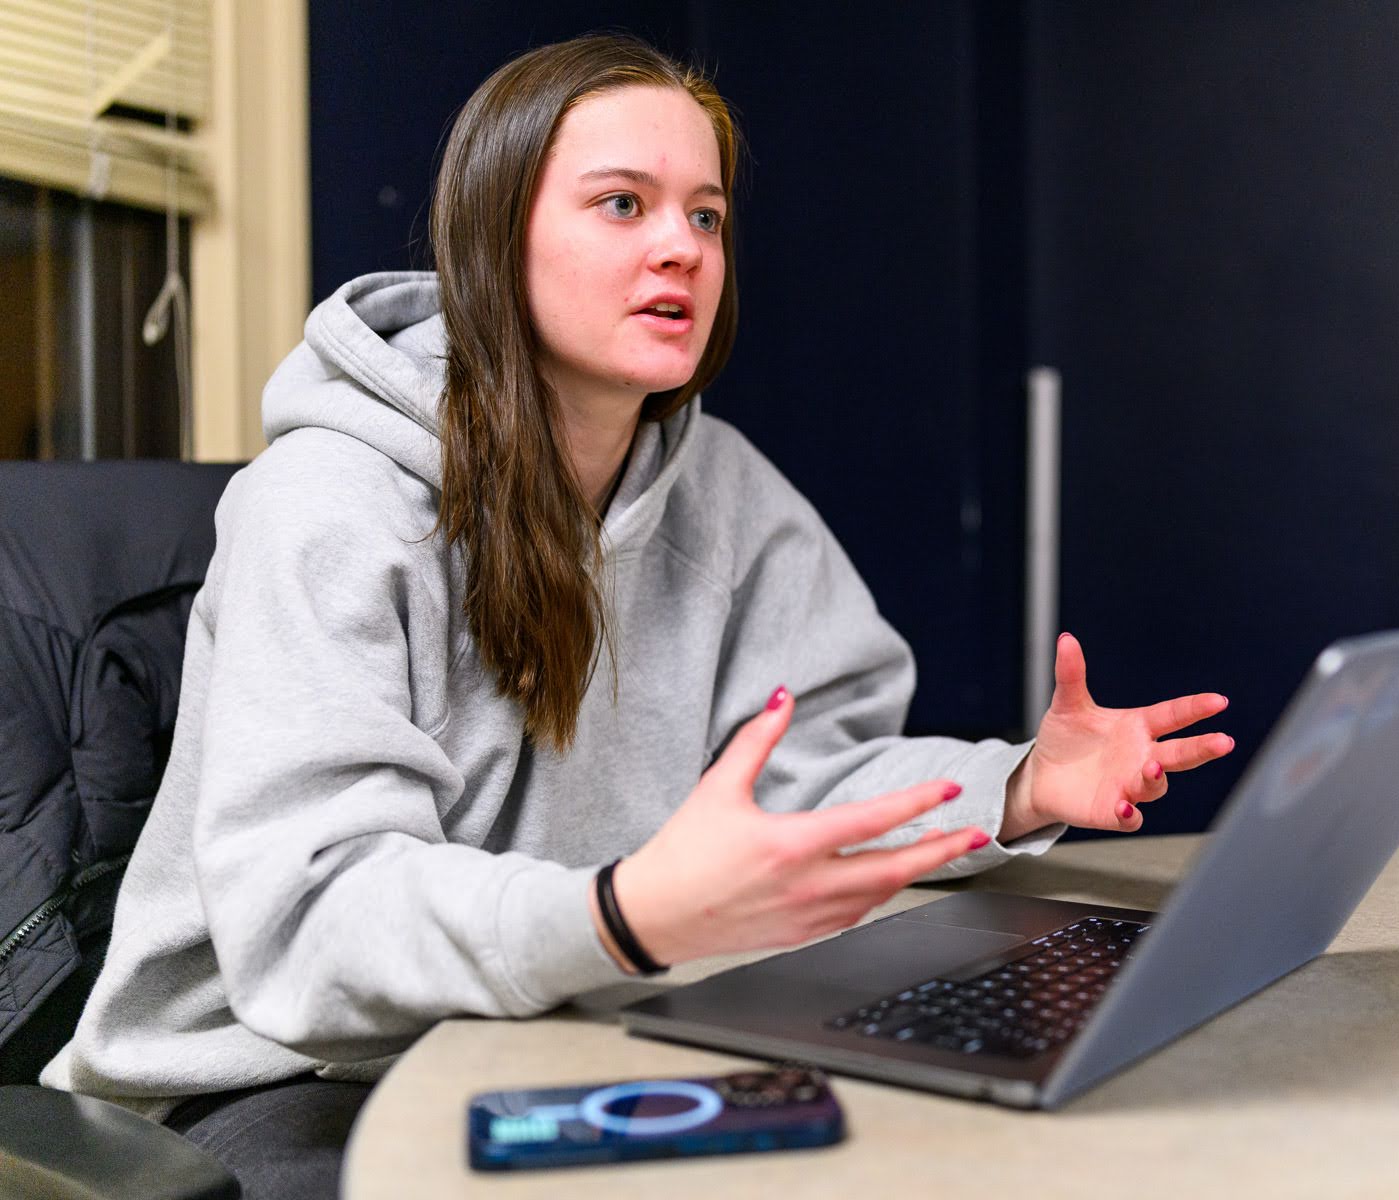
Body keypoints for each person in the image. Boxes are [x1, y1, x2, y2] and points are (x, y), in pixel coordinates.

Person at [41, 33, 1232, 1198]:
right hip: (279, 1075)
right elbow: (317, 921)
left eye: (705, 215)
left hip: (570, 1006)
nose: (681, 248)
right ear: (496, 238)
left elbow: (800, 774)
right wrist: (620, 913)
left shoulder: (721, 489)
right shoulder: (327, 504)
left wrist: (1017, 786)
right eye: (623, 204)